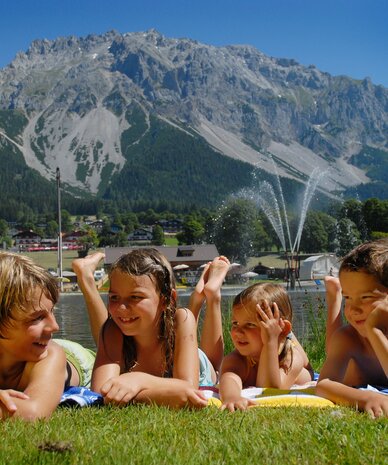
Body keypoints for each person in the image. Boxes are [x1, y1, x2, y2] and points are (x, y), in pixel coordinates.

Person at [72, 248, 226, 409]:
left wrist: (139, 380)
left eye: (136, 297)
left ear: (166, 300)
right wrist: (160, 394)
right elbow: (101, 393)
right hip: (174, 350)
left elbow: (188, 388)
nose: (122, 308)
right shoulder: (112, 329)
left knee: (215, 368)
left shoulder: (182, 319)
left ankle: (211, 295)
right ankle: (198, 297)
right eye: (114, 297)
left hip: (199, 365)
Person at [0, 252, 92, 421]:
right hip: (37, 344)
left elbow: (34, 412)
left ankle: (86, 277)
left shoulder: (50, 357)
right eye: (37, 318)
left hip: (78, 358)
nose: (55, 326)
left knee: (109, 350)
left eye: (51, 311)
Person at [316, 239, 388, 418]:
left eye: (365, 297)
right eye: (348, 298)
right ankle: (335, 297)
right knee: (335, 341)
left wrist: (375, 331)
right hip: (346, 365)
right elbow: (324, 384)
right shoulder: (348, 338)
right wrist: (364, 398)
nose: (353, 309)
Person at [219, 283, 314, 411]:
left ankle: (285, 334)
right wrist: (231, 396)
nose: (238, 332)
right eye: (235, 323)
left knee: (303, 362)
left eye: (250, 324)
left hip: (289, 353)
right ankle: (284, 333)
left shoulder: (291, 358)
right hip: (280, 335)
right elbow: (229, 378)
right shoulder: (238, 359)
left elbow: (269, 390)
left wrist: (270, 341)